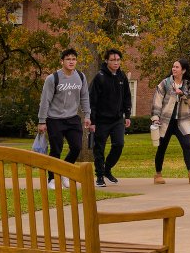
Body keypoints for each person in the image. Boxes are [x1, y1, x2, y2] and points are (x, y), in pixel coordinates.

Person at [36, 48, 94, 188]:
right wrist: (42, 121)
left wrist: (87, 115)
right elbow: (45, 101)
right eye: (68, 59)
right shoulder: (52, 79)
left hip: (72, 118)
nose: (71, 62)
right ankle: (52, 179)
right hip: (54, 119)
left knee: (76, 147)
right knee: (56, 150)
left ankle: (65, 173)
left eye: (74, 59)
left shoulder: (80, 77)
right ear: (62, 61)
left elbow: (85, 97)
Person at [150, 59, 190, 184]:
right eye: (173, 66)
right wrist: (155, 118)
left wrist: (182, 94)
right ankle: (158, 175)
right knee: (161, 148)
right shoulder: (165, 83)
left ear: (183, 70)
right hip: (165, 122)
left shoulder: (189, 85)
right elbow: (157, 101)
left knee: (187, 146)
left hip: (182, 122)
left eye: (177, 67)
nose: (174, 69)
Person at [89, 48, 132, 188]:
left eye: (118, 60)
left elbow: (127, 96)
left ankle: (107, 169)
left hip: (117, 119)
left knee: (119, 144)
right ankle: (100, 176)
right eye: (113, 60)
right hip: (101, 120)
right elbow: (92, 101)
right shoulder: (99, 77)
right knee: (99, 148)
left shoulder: (122, 76)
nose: (116, 62)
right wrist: (92, 121)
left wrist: (127, 115)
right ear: (106, 60)